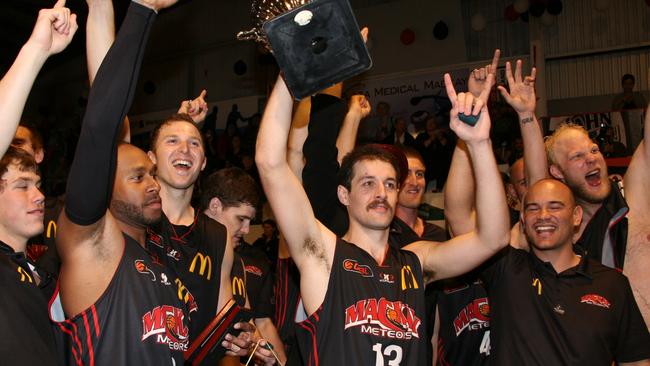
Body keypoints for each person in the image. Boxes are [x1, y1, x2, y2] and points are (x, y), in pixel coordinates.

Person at [255, 58, 510, 365]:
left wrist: (480, 143)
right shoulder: (323, 255)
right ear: (343, 195)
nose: (381, 193)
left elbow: (493, 238)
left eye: (390, 184)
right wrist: (289, 68)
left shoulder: (417, 262)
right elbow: (271, 163)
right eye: (368, 183)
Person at [50, 1, 194, 363]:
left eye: (151, 173)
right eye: (138, 176)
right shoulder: (94, 244)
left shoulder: (159, 259)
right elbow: (102, 123)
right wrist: (142, 10)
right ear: (105, 186)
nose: (154, 184)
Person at [482, 179, 650, 365]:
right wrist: (476, 149)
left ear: (576, 216)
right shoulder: (505, 269)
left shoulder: (612, 283)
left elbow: (636, 361)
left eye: (555, 207)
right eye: (533, 208)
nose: (543, 215)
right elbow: (460, 216)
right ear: (523, 218)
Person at [0, 1, 77, 363]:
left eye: (38, 183)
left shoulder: (43, 272)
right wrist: (36, 51)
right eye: (21, 185)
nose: (39, 195)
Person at [201, 167, 286, 365]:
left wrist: (267, 353)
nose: (247, 230)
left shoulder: (239, 263)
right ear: (215, 206)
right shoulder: (179, 251)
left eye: (250, 221)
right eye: (241, 219)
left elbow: (251, 325)